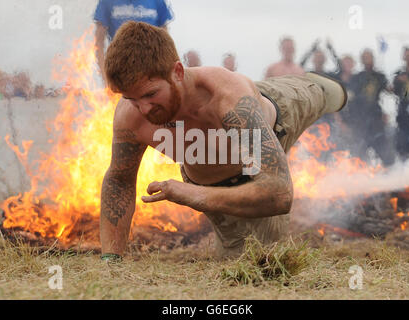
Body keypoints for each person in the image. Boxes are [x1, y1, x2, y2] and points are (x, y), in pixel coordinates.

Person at [99, 22, 347, 260]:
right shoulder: (129, 116)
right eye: (132, 99)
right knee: (256, 263)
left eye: (151, 94)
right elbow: (119, 181)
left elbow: (278, 191)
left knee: (321, 92)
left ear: (177, 72)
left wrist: (191, 194)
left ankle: (327, 88)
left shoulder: (226, 97)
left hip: (277, 112)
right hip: (225, 178)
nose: (143, 109)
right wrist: (111, 258)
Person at [94, 0, 174, 83]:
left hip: (152, 71)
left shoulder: (158, 1)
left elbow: (166, 42)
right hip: (119, 72)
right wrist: (106, 78)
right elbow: (98, 43)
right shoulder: (106, 2)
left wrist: (166, 75)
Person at [342, 49, 395, 165]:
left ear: (373, 59)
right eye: (364, 58)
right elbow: (349, 99)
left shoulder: (379, 76)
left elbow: (390, 91)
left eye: (369, 57)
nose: (367, 60)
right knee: (359, 154)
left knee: (384, 151)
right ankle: (361, 178)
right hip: (360, 121)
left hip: (376, 120)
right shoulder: (356, 78)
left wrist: (397, 86)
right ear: (361, 60)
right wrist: (348, 121)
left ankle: (390, 175)